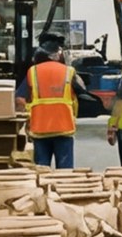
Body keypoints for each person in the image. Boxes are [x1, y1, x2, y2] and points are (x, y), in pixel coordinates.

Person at [21, 41, 79, 169]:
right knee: (65, 172)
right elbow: (81, 92)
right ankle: (63, 188)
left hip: (40, 128)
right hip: (64, 126)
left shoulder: (33, 72)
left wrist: (29, 113)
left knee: (41, 170)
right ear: (57, 55)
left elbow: (20, 97)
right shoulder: (69, 71)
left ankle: (43, 189)